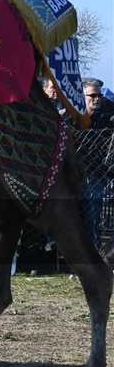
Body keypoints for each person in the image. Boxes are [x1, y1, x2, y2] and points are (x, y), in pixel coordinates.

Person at [78, 77, 114, 251]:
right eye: (92, 95)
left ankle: (94, 256)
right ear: (82, 96)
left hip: (95, 172)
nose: (97, 99)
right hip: (73, 173)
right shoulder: (72, 116)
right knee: (71, 216)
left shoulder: (107, 115)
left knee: (93, 215)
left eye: (99, 95)